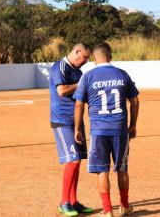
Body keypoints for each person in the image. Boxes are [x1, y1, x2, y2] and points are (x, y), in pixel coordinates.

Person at [73, 42, 140, 217]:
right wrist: (133, 125)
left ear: (94, 58)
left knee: (102, 170)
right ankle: (124, 206)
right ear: (110, 56)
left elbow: (79, 104)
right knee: (122, 168)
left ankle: (108, 210)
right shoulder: (122, 74)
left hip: (98, 131)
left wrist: (77, 128)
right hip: (120, 130)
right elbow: (135, 101)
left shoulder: (87, 77)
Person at [49, 43, 94, 216]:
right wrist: (80, 83)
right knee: (73, 160)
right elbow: (61, 91)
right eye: (84, 57)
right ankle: (64, 202)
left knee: (78, 160)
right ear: (77, 52)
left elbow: (81, 96)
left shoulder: (79, 72)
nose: (85, 62)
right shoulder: (59, 67)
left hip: (76, 121)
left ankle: (73, 201)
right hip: (62, 120)